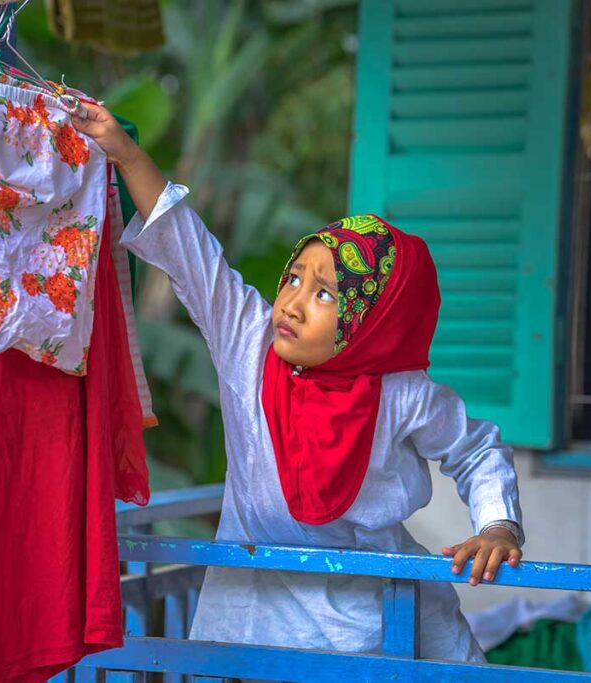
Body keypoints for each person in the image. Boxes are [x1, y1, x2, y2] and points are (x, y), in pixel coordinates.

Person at [72, 102, 524, 661]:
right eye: (293, 277)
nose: (291, 302)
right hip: (253, 603)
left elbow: (476, 449)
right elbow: (189, 251)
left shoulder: (401, 392)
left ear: (372, 322)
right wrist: (127, 152)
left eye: (326, 293)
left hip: (373, 613)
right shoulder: (249, 340)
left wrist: (499, 525)